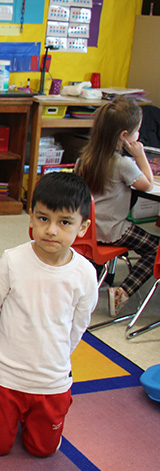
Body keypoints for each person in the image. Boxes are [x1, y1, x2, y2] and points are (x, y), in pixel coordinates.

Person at [0, 172, 98, 457]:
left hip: (52, 380)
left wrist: (56, 357)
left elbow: (79, 324)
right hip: (6, 375)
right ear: (31, 217)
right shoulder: (13, 261)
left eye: (64, 222)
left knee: (43, 451)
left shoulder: (84, 274)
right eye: (43, 218)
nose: (52, 230)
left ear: (83, 227)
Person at [75, 96, 159, 317]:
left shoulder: (84, 158)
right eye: (136, 131)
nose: (138, 135)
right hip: (113, 231)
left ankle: (99, 277)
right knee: (157, 248)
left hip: (86, 230)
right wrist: (140, 155)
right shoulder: (123, 164)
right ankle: (123, 291)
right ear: (125, 136)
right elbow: (148, 184)